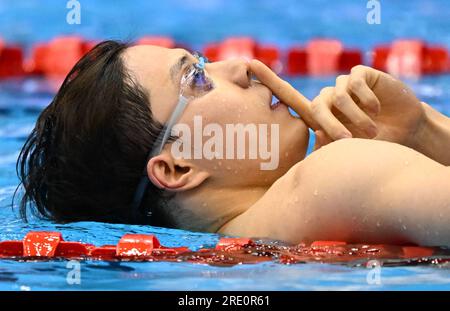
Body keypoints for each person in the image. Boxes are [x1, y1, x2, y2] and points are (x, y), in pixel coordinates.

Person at [16, 41, 450, 246]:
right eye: (197, 78)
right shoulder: (336, 175)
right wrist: (430, 129)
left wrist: (417, 133)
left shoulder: (213, 267)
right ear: (176, 168)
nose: (244, 65)